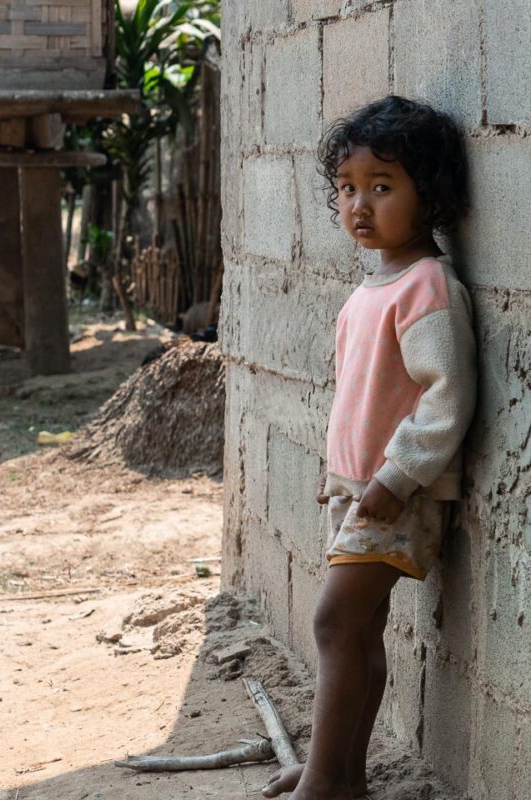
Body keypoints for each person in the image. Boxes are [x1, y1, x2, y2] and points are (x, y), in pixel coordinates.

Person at [261, 95, 477, 800]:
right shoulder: (370, 288)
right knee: (357, 632)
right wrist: (342, 475)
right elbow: (362, 398)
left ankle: (324, 782)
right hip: (359, 488)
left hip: (396, 493)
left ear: (432, 197)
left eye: (382, 188)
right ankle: (342, 772)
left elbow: (447, 395)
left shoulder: (426, 287)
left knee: (334, 621)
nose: (360, 204)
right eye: (347, 189)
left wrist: (397, 475)